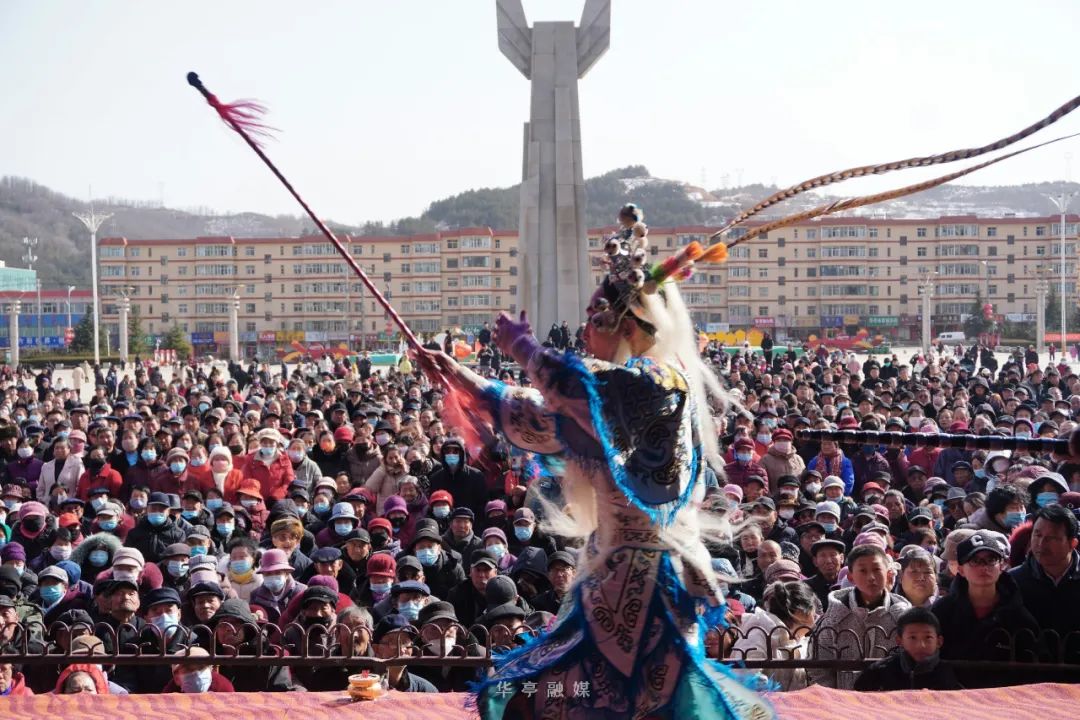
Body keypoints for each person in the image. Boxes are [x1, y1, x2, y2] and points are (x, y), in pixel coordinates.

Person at [425, 208, 771, 719]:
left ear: (626, 324)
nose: (585, 331)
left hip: (653, 577)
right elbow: (539, 416)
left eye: (595, 319)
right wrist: (460, 377)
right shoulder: (609, 400)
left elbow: (589, 390)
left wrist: (526, 349)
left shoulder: (660, 384)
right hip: (609, 573)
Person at [931, 529, 1042, 688]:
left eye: (991, 560)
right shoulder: (943, 611)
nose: (984, 567)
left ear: (1002, 565)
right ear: (960, 569)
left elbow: (1033, 670)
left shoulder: (1019, 616)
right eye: (975, 561)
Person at [811, 544, 911, 689]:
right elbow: (819, 668)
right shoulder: (833, 619)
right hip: (843, 699)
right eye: (863, 571)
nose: (871, 577)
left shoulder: (902, 617)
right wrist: (833, 696)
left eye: (877, 569)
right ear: (850, 576)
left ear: (888, 573)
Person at [1009, 505, 1080, 661]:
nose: (1041, 544)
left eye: (1052, 538)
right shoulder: (1012, 581)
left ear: (1072, 543)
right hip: (1027, 669)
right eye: (1037, 535)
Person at [731, 580, 820, 690]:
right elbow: (745, 680)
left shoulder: (799, 639)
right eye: (813, 612)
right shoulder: (757, 635)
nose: (815, 617)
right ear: (800, 612)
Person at [852, 607, 961, 691]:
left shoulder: (948, 673)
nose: (921, 645)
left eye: (928, 637)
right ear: (900, 641)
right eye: (913, 638)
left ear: (939, 641)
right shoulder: (880, 671)